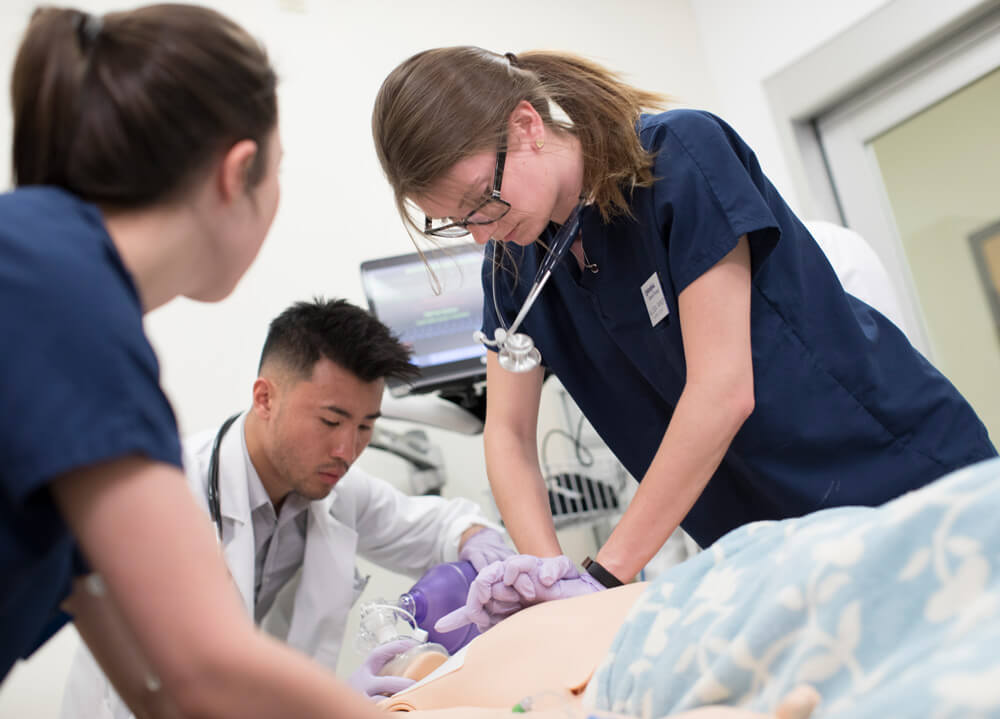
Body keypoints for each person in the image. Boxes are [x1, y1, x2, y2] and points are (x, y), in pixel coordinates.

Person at [370, 47, 997, 619]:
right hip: (767, 547)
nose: (481, 233)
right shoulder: (513, 267)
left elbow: (722, 390)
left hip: (892, 479)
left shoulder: (675, 158)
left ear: (527, 126)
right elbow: (507, 436)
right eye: (455, 222)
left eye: (482, 202)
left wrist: (603, 575)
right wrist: (552, 589)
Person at [1, 5, 373, 718]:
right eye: (280, 172)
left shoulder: (41, 263)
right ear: (239, 172)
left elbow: (164, 683)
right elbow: (209, 666)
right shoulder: (61, 297)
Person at [62, 297, 513, 716]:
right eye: (331, 421)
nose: (346, 448)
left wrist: (481, 544)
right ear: (265, 399)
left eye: (364, 426)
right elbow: (181, 677)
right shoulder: (173, 496)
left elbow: (436, 527)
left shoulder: (335, 489)